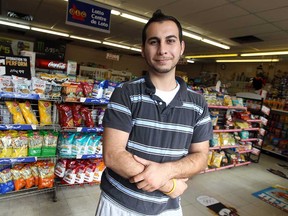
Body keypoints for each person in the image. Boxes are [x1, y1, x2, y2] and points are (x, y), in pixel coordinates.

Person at [95, 9, 213, 216]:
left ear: (181, 47)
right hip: (118, 205)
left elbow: (201, 156)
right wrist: (170, 186)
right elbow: (113, 155)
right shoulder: (125, 93)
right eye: (153, 42)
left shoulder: (198, 103)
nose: (162, 50)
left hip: (168, 210)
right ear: (143, 49)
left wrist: (166, 172)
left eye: (170, 41)